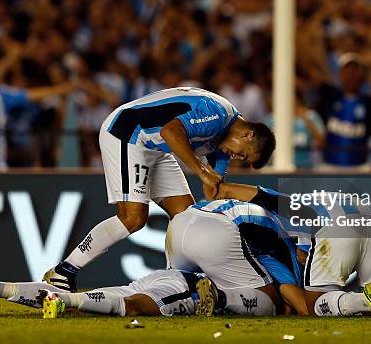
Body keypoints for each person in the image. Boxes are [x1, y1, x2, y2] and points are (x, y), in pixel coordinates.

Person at [44, 87, 275, 292]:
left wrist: (243, 205)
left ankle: (178, 282)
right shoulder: (216, 113)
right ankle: (63, 272)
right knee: (133, 218)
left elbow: (213, 192)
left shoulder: (224, 145)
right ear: (247, 134)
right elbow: (170, 132)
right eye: (242, 153)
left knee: (186, 218)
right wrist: (203, 172)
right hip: (127, 133)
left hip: (155, 146)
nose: (236, 158)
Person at [214, 183, 371, 318]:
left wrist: (223, 188)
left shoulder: (272, 220)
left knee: (317, 303)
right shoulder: (309, 202)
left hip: (335, 223)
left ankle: (365, 301)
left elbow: (302, 256)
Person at [166, 197, 308, 316]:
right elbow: (301, 306)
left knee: (173, 288)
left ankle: (150, 301)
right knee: (271, 302)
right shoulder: (289, 258)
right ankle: (219, 299)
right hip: (216, 228)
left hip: (179, 224)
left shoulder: (270, 242)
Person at [0, 270, 220, 317]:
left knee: (83, 305)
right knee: (131, 307)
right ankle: (60, 298)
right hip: (187, 284)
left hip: (166, 276)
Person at [316, 53, 371, 168]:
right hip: (329, 166)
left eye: (355, 71)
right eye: (348, 70)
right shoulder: (329, 96)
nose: (352, 75)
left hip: (360, 166)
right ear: (340, 74)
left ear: (362, 75)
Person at [265, 90, 325, 169]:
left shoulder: (311, 116)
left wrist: (306, 121)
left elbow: (322, 142)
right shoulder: (271, 119)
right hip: (278, 168)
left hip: (306, 168)